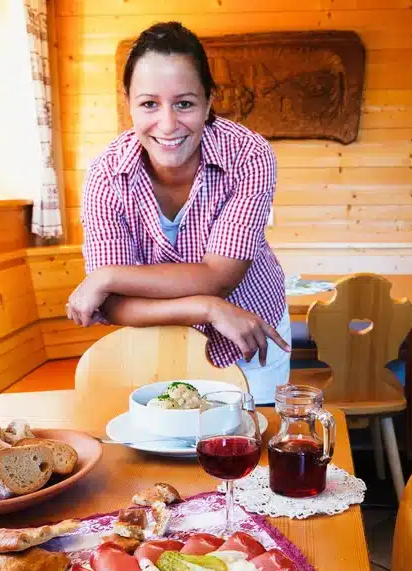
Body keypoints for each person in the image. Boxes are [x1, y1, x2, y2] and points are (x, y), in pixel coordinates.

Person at [66, 21, 291, 404]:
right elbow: (115, 305)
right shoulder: (106, 175)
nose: (167, 125)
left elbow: (218, 276)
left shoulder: (250, 155)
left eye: (184, 103)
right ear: (129, 103)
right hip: (155, 345)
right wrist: (205, 307)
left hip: (247, 336)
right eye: (149, 104)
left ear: (208, 102)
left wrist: (106, 276)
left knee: (248, 453)